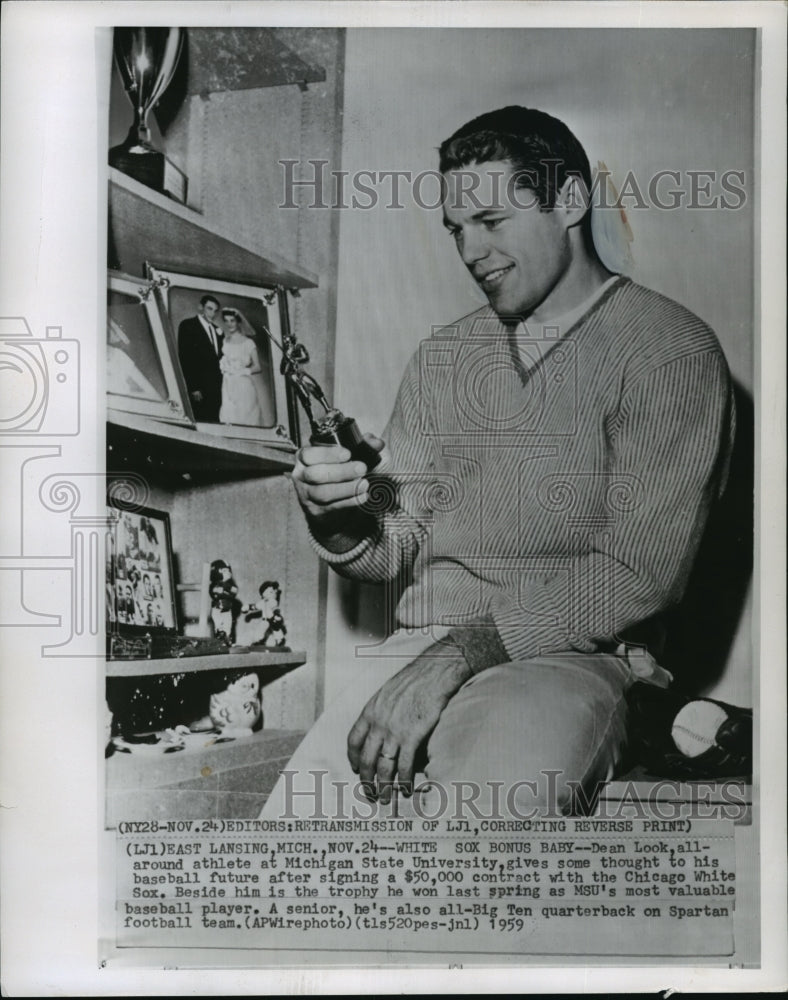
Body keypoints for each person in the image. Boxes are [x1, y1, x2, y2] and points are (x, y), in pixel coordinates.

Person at [279, 105, 736, 820]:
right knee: (293, 840)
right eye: (456, 230)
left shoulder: (669, 350)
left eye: (491, 221)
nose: (470, 251)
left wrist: (457, 657)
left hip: (576, 656)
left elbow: (638, 572)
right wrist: (340, 515)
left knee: (478, 821)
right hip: (424, 647)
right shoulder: (441, 359)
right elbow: (396, 549)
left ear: (571, 203)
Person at [177, 294, 224, 422]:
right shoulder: (187, 325)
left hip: (216, 387)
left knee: (214, 420)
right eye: (209, 309)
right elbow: (185, 357)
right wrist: (193, 387)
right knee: (200, 420)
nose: (212, 314)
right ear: (200, 307)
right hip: (199, 388)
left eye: (215, 311)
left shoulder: (218, 330)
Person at [218, 308, 263, 427]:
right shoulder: (225, 340)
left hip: (243, 384)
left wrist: (241, 371)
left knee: (245, 416)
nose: (229, 324)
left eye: (232, 321)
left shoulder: (248, 343)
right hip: (227, 384)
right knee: (229, 417)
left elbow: (258, 367)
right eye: (226, 321)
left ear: (238, 322)